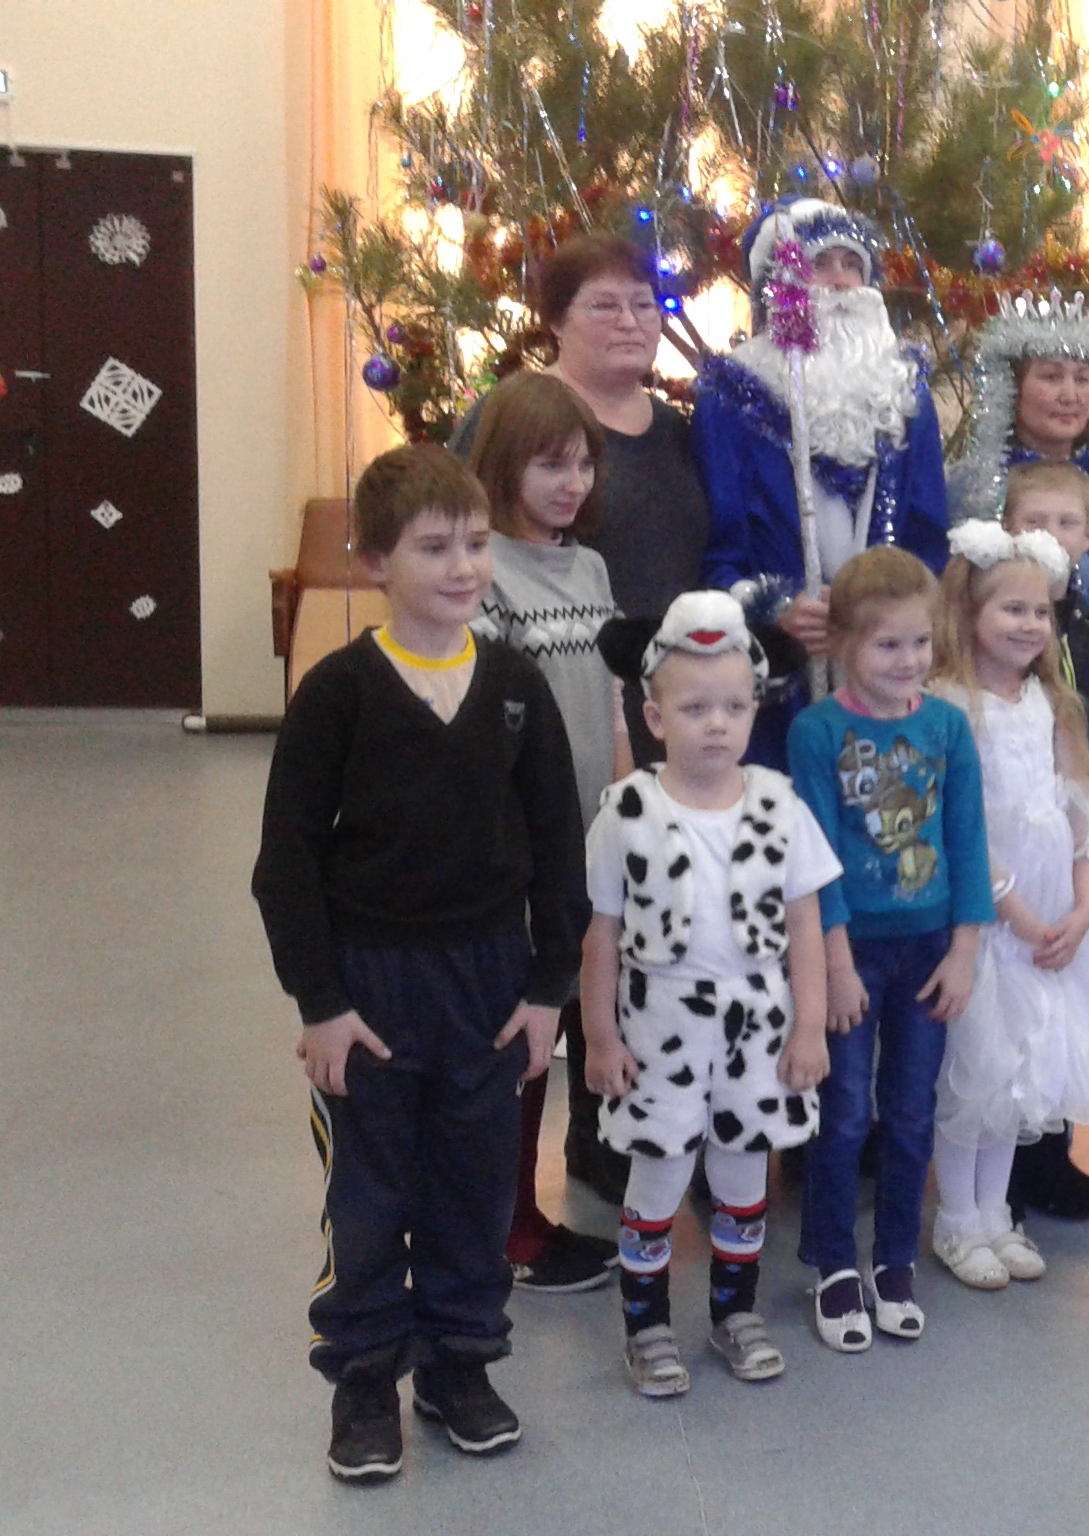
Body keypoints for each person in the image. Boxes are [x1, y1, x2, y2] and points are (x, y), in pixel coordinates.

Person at [250, 445, 587, 1483]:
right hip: (370, 988)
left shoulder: (517, 686)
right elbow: (286, 860)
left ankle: (457, 1364)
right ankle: (362, 1379)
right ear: (374, 560)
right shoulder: (338, 695)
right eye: (434, 547)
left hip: (489, 984)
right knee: (369, 1192)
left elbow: (558, 847)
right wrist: (321, 1003)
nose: (463, 566)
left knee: (474, 1188)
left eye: (475, 544)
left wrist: (548, 990)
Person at [578, 592, 837, 1395]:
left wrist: (811, 1028)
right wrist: (599, 1039)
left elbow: (805, 925)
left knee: (743, 1179)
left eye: (733, 707)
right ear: (654, 717)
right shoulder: (626, 812)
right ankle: (647, 1327)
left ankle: (734, 1313)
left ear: (755, 709)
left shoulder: (778, 805)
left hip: (759, 1028)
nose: (716, 725)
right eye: (695, 709)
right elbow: (601, 937)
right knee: (657, 1177)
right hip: (659, 1026)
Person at [925, 525, 1089, 1288]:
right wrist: (1017, 914)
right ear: (967, 613)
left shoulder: (1051, 701)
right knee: (976, 1072)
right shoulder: (950, 703)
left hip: (1055, 913)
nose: (1031, 624)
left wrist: (1083, 900)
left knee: (1023, 1073)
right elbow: (958, 824)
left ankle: (995, 1215)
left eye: (1041, 611)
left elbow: (1080, 809)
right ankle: (957, 1220)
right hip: (987, 913)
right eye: (1011, 609)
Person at [786, 546, 992, 1352]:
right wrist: (834, 967)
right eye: (886, 645)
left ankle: (894, 1258)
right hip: (849, 952)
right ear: (842, 644)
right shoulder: (816, 732)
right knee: (844, 1117)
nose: (908, 661)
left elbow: (968, 841)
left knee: (910, 1114)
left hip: (929, 949)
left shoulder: (947, 727)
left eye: (920, 642)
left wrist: (965, 950)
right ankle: (834, 1262)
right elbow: (814, 858)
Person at [464, 371, 624, 1294]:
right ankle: (506, 1225)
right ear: (503, 465)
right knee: (521, 1037)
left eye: (583, 466)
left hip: (595, 839)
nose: (572, 484)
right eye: (550, 465)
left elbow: (611, 697)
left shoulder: (589, 568)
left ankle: (522, 1211)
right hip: (528, 843)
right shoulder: (486, 570)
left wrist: (628, 797)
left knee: (567, 1017)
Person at [691, 196, 952, 759]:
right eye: (819, 264)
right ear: (779, 284)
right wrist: (771, 606)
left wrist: (891, 611)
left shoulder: (904, 395)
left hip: (888, 679)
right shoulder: (732, 395)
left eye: (852, 264)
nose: (839, 281)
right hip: (778, 679)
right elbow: (717, 548)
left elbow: (930, 537)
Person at [454, 234, 713, 778]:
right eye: (604, 305)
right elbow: (459, 548)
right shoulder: (512, 417)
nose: (630, 321)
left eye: (644, 304)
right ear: (555, 321)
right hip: (563, 708)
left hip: (671, 703)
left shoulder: (676, 429)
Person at [996, 460, 1089, 1221]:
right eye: (1034, 522)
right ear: (1006, 529)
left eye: (1065, 523)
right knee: (1008, 1013)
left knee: (1066, 1013)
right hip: (1008, 864)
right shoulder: (987, 642)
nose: (1050, 537)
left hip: (1080, 856)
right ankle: (1000, 1173)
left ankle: (1051, 1158)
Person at [948, 291, 1089, 645]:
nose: (1070, 395)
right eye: (1051, 377)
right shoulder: (974, 490)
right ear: (1013, 389)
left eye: (1082, 379)